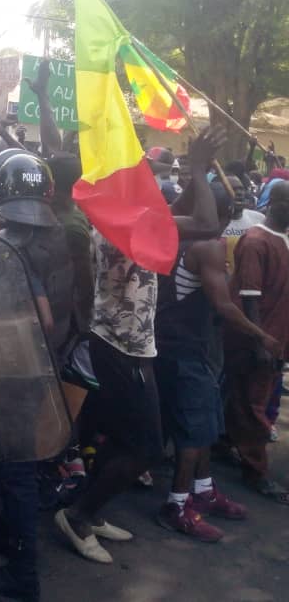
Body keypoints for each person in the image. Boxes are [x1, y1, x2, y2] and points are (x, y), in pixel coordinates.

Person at [55, 127, 225, 565]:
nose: (148, 179)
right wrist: (200, 168)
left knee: (123, 439)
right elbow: (206, 224)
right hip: (122, 347)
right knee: (146, 446)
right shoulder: (125, 223)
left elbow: (177, 210)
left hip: (124, 342)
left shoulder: (122, 215)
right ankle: (79, 515)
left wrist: (193, 174)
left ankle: (88, 512)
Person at [0, 151, 72, 602]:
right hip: (48, 363)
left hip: (17, 368)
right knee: (17, 461)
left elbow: (40, 317)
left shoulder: (10, 245)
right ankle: (1, 533)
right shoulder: (61, 233)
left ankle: (23, 574)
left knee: (17, 469)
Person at [154, 180, 258, 541]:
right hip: (188, 350)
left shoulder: (170, 236)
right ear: (224, 215)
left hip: (175, 345)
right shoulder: (207, 247)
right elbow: (225, 305)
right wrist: (263, 336)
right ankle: (177, 505)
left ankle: (203, 489)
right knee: (193, 433)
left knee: (203, 427)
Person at [222, 181, 289, 503]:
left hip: (275, 338)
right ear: (276, 204)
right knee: (253, 405)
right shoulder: (255, 242)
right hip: (254, 339)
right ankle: (256, 471)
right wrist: (259, 343)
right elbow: (249, 297)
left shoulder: (281, 240)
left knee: (242, 399)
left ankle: (224, 446)